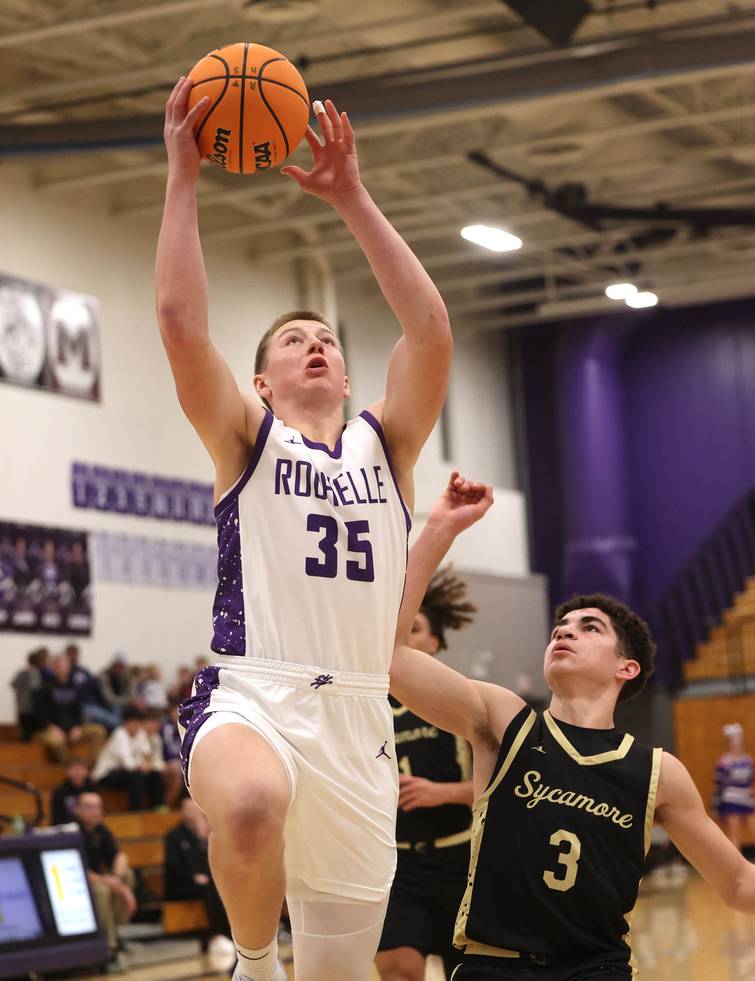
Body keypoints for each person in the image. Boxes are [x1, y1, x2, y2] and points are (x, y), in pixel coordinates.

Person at [157, 76, 451, 981]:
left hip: (359, 718)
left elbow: (430, 329)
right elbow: (179, 324)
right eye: (293, 341)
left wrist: (351, 196)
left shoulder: (387, 444)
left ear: (350, 379)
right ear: (262, 383)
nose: (315, 344)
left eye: (327, 339)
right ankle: (253, 962)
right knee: (247, 805)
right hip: (256, 689)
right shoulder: (245, 435)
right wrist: (182, 175)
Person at [390, 473, 755, 980]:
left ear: (626, 667)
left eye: (590, 628)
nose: (565, 632)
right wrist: (440, 529)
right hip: (493, 966)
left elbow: (737, 882)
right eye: (560, 628)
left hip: (595, 969)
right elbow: (392, 656)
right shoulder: (505, 722)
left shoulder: (657, 773)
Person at [376, 567, 476, 981]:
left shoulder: (465, 702)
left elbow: (506, 785)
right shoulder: (368, 709)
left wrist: (443, 793)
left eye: (413, 629)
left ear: (434, 642)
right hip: (396, 863)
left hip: (460, 860)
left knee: (469, 973)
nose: (400, 637)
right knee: (397, 969)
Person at [73, 792, 137, 968]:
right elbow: (77, 870)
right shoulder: (73, 831)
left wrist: (116, 878)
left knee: (127, 874)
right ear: (78, 810)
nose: (95, 812)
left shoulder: (101, 830)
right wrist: (113, 884)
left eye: (98, 807)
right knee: (102, 891)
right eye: (89, 807)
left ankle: (116, 929)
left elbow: (120, 856)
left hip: (99, 879)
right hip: (76, 884)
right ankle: (109, 946)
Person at [165, 797, 232, 939]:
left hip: (203, 880)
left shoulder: (201, 835)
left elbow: (209, 860)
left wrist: (204, 839)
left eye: (194, 810)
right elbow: (173, 865)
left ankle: (230, 931)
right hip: (181, 884)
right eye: (188, 810)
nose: (192, 813)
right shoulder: (173, 836)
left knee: (221, 886)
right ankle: (217, 932)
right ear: (182, 812)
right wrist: (193, 877)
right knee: (210, 889)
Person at [712, 722, 755, 868]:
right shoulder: (723, 761)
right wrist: (717, 806)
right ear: (729, 742)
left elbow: (752, 779)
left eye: (739, 739)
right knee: (735, 835)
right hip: (731, 800)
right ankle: (734, 866)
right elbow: (719, 784)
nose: (737, 743)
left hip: (748, 799)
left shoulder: (748, 759)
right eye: (734, 740)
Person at [33, 652, 106, 763]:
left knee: (99, 731)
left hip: (72, 728)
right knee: (55, 741)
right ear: (53, 668)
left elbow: (79, 711)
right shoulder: (44, 688)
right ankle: (73, 763)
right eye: (59, 665)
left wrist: (78, 726)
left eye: (65, 665)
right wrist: (51, 727)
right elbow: (40, 713)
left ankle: (93, 764)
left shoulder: (75, 687)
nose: (62, 668)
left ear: (69, 668)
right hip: (51, 729)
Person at [92, 706, 165, 811]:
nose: (136, 726)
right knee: (137, 777)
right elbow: (128, 764)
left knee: (155, 774)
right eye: (133, 723)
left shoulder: (139, 734)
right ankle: (135, 811)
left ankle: (158, 807)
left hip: (125, 773)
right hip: (106, 775)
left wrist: (148, 765)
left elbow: (147, 755)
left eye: (138, 723)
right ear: (126, 723)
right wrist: (143, 765)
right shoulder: (119, 735)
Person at [10, 646, 48, 740]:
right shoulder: (35, 673)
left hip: (22, 707)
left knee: (25, 731)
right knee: (30, 733)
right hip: (31, 708)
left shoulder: (22, 672)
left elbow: (13, 685)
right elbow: (36, 690)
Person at [51, 756, 99, 826]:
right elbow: (57, 818)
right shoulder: (59, 791)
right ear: (68, 771)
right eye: (74, 770)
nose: (77, 773)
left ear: (87, 771)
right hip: (67, 827)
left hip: (89, 826)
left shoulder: (93, 788)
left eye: (80, 769)